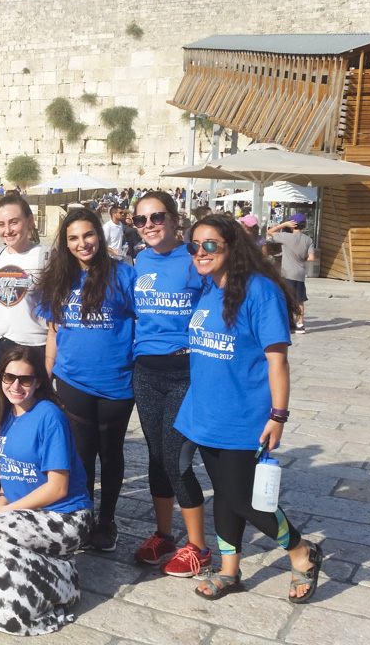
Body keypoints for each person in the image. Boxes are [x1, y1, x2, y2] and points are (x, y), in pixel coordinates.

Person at [178, 215, 323, 602]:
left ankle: (301, 552)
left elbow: (277, 360)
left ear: (233, 246)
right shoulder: (209, 289)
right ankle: (230, 570)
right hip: (205, 413)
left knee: (244, 498)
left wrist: (278, 415)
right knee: (224, 494)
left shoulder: (260, 292)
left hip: (245, 416)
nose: (200, 252)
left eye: (210, 244)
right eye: (194, 245)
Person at [0, 346, 92, 636]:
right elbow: (9, 473)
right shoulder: (4, 415)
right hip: (28, 512)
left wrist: (5, 511)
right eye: (9, 377)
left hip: (66, 516)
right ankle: (5, 599)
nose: (15, 386)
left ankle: (62, 581)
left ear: (39, 382)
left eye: (25, 380)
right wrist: (1, 497)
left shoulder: (49, 417)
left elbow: (58, 487)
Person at [38, 208, 136, 552]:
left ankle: (106, 519)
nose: (83, 244)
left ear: (99, 233)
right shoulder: (59, 278)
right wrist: (44, 377)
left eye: (88, 235)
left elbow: (143, 322)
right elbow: (53, 333)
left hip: (116, 381)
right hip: (71, 379)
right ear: (65, 243)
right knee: (80, 453)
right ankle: (82, 513)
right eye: (73, 238)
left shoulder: (124, 275)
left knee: (110, 453)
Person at [129, 192, 210, 576]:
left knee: (178, 460)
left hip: (185, 370)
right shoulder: (139, 260)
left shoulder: (195, 259)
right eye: (140, 220)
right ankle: (164, 534)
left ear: (175, 219)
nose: (149, 226)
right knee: (157, 456)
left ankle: (199, 547)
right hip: (146, 371)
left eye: (156, 217)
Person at [0, 194, 49, 378]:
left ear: (29, 221)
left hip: (34, 346)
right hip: (0, 344)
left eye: (14, 222)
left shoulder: (46, 257)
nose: (7, 230)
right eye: (1, 224)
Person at [268, 213, 315, 334]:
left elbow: (270, 232)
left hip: (287, 274)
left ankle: (286, 323)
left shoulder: (286, 237)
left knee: (285, 299)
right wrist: (302, 258)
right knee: (300, 300)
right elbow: (311, 258)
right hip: (300, 274)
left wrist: (283, 224)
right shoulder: (308, 239)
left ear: (292, 224)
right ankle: (300, 324)